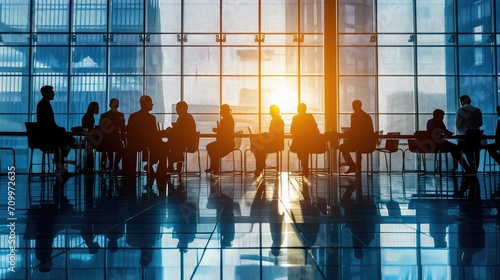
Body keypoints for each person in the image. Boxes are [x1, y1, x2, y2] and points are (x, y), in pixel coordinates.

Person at [36, 85, 75, 173]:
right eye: (52, 92)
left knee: (66, 141)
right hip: (48, 137)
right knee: (70, 140)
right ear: (45, 93)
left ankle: (59, 161)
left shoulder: (43, 104)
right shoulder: (44, 104)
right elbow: (49, 123)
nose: (54, 94)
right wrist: (60, 129)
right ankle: (60, 160)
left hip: (46, 135)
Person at [126, 95, 167, 176]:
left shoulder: (133, 116)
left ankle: (149, 166)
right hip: (147, 143)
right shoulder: (151, 118)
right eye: (151, 103)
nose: (152, 105)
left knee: (157, 146)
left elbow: (130, 131)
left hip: (134, 144)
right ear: (146, 104)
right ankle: (159, 171)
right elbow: (154, 134)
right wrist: (164, 132)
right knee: (164, 147)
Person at [338, 100, 376, 174]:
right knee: (356, 148)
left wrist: (343, 134)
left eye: (353, 106)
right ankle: (356, 167)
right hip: (368, 143)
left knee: (342, 147)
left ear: (356, 106)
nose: (353, 107)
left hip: (359, 143)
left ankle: (352, 166)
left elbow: (353, 130)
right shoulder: (366, 115)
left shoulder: (354, 115)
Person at [427, 109, 469, 173]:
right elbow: (445, 131)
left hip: (432, 144)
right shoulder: (439, 121)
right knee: (455, 148)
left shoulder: (429, 122)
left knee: (454, 149)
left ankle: (458, 167)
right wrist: (450, 133)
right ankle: (466, 167)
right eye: (442, 115)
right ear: (438, 115)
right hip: (439, 144)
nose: (443, 117)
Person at [250, 104, 285, 176]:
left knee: (258, 146)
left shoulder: (275, 120)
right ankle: (261, 164)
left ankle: (260, 166)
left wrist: (260, 136)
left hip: (274, 144)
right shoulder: (278, 119)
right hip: (276, 143)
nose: (270, 112)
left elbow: (272, 136)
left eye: (271, 111)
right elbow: (273, 134)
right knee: (259, 146)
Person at [165, 101, 197, 173]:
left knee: (169, 145)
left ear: (183, 108)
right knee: (173, 144)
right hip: (187, 142)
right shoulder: (187, 117)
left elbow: (180, 131)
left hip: (186, 142)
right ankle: (173, 165)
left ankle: (171, 165)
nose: (176, 109)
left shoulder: (183, 118)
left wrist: (172, 129)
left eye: (177, 108)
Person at [290, 103, 320, 176]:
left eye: (298, 108)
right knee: (305, 150)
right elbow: (315, 128)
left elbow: (292, 130)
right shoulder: (309, 117)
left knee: (302, 149)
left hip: (298, 143)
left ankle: (304, 165)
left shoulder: (295, 118)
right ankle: (305, 167)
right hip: (308, 142)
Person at [455, 95, 483, 171]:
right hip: (476, 136)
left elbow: (458, 124)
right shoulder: (477, 110)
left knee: (457, 151)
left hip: (465, 137)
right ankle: (474, 168)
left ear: (462, 101)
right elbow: (480, 124)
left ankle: (468, 168)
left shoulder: (460, 110)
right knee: (475, 151)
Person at [205, 104, 235, 174]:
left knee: (210, 147)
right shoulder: (229, 119)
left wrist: (217, 130)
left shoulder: (226, 120)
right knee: (212, 149)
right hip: (227, 142)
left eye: (222, 110)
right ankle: (214, 168)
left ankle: (214, 167)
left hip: (226, 143)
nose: (221, 112)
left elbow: (225, 131)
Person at [99, 98, 126, 171]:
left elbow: (101, 128)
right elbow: (123, 128)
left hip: (106, 139)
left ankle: (111, 164)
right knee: (122, 149)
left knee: (109, 148)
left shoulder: (104, 115)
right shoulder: (121, 115)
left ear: (110, 105)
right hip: (116, 138)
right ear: (118, 105)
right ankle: (115, 163)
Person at [81, 102, 100, 173]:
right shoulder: (90, 117)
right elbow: (90, 130)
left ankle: (89, 168)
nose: (98, 109)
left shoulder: (87, 116)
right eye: (97, 107)